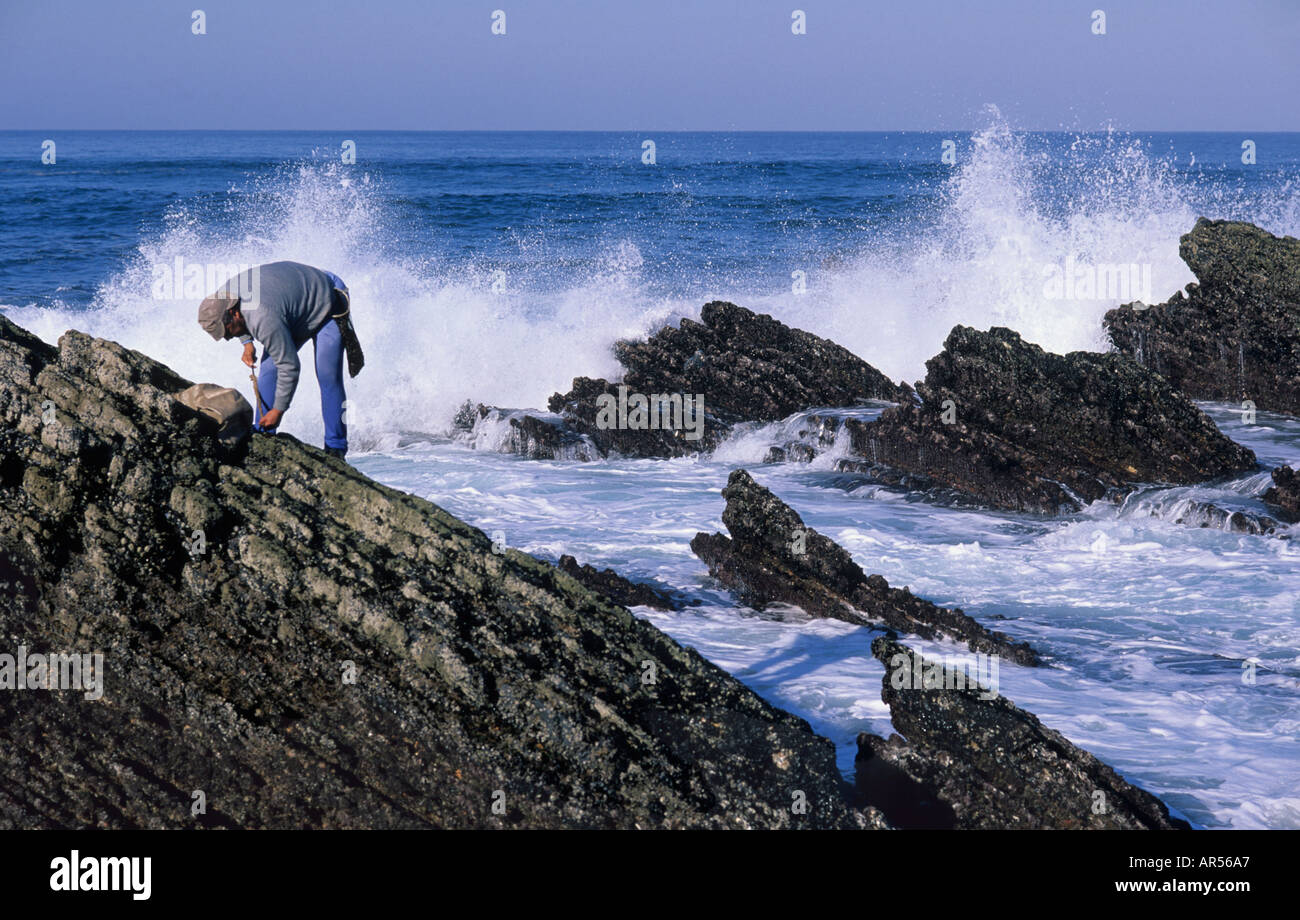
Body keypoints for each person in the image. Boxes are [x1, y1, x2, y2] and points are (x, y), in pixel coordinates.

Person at [197, 261, 351, 458]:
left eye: (228, 333)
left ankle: (336, 447)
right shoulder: (220, 300)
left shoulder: (263, 318)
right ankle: (263, 432)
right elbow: (238, 324)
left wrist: (279, 410)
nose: (227, 338)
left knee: (328, 376)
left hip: (328, 300)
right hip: (293, 306)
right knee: (269, 371)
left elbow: (290, 366)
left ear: (234, 313)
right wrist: (247, 342)